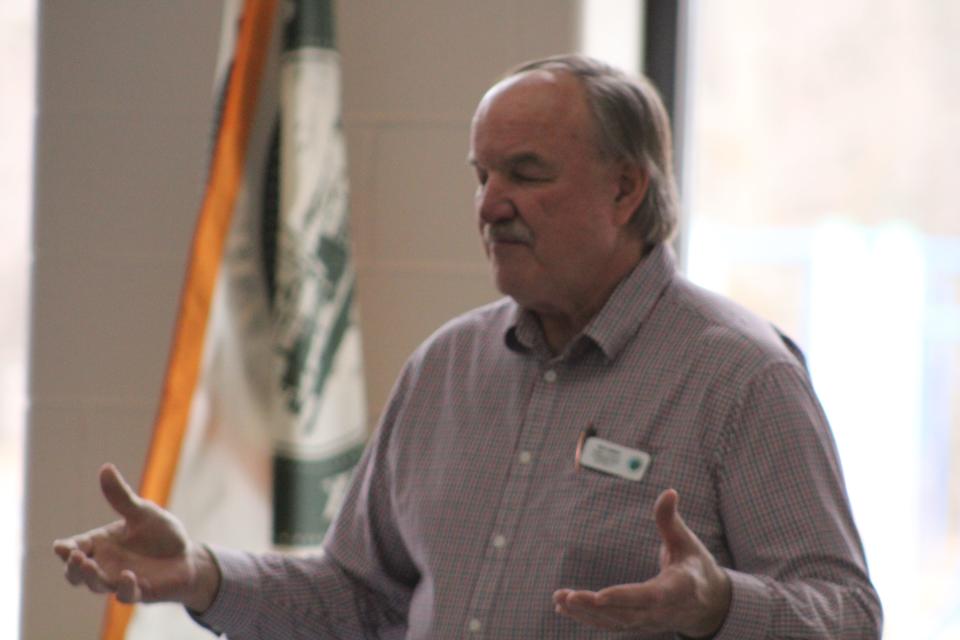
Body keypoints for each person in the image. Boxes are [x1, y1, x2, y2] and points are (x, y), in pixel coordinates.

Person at [54, 54, 882, 639]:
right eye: (480, 175)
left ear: (626, 189)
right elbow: (358, 599)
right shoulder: (446, 368)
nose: (489, 206)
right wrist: (203, 573)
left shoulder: (740, 376)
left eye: (525, 173)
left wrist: (718, 609)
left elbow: (847, 616)